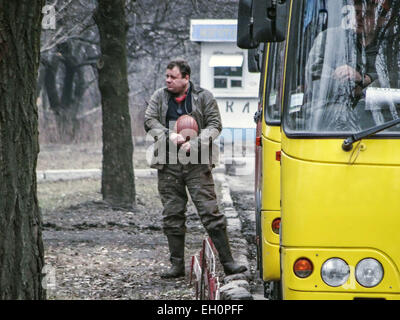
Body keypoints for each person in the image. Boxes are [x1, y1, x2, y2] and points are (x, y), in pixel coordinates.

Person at [144, 59, 247, 278]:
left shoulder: (204, 96)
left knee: (210, 213)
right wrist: (168, 134)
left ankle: (229, 263)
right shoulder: (159, 96)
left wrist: (197, 142)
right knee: (172, 214)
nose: (168, 80)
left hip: (197, 163)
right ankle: (177, 265)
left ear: (186, 78)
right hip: (168, 163)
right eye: (167, 76)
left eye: (173, 77)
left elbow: (215, 125)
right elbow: (149, 120)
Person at [305, 0, 391, 131]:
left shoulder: (390, 46)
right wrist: (341, 79)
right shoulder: (329, 39)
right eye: (355, 12)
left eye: (366, 14)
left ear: (380, 20)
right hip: (328, 120)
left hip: (380, 123)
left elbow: (394, 77)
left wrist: (365, 79)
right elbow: (313, 73)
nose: (359, 18)